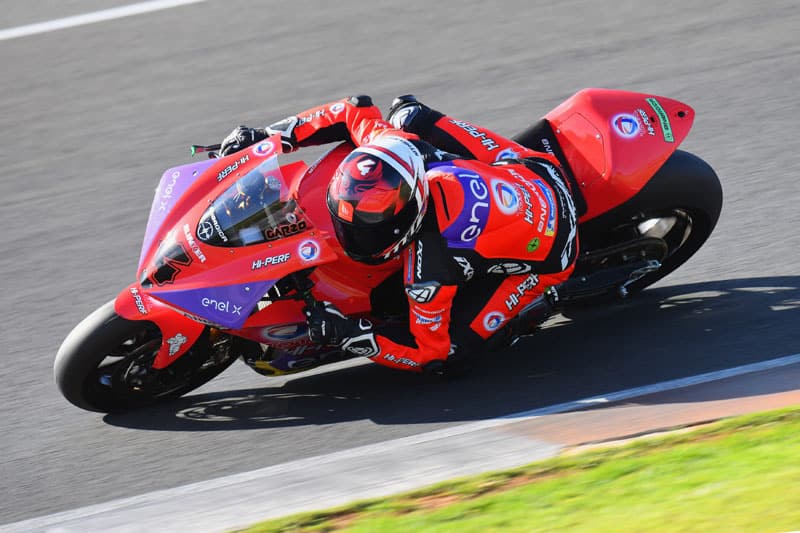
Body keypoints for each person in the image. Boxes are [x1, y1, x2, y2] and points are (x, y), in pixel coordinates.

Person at [219, 95, 579, 375]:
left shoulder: (431, 270)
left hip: (554, 250)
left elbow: (428, 351)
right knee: (407, 113)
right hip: (525, 167)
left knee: (450, 357)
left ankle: (538, 301)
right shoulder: (395, 146)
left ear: (407, 219)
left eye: (366, 231)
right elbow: (353, 110)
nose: (351, 237)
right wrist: (270, 136)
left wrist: (350, 333)